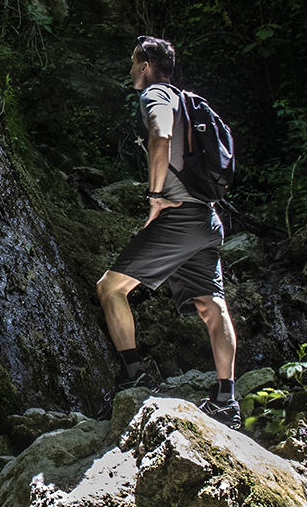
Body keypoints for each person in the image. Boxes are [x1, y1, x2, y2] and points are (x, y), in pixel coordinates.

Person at [95, 36, 241, 426]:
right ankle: (227, 399)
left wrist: (156, 196)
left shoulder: (155, 96)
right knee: (212, 306)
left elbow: (160, 135)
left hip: (178, 220)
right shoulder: (186, 99)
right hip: (208, 219)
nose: (129, 71)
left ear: (145, 65)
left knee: (110, 288)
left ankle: (134, 377)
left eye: (132, 63)